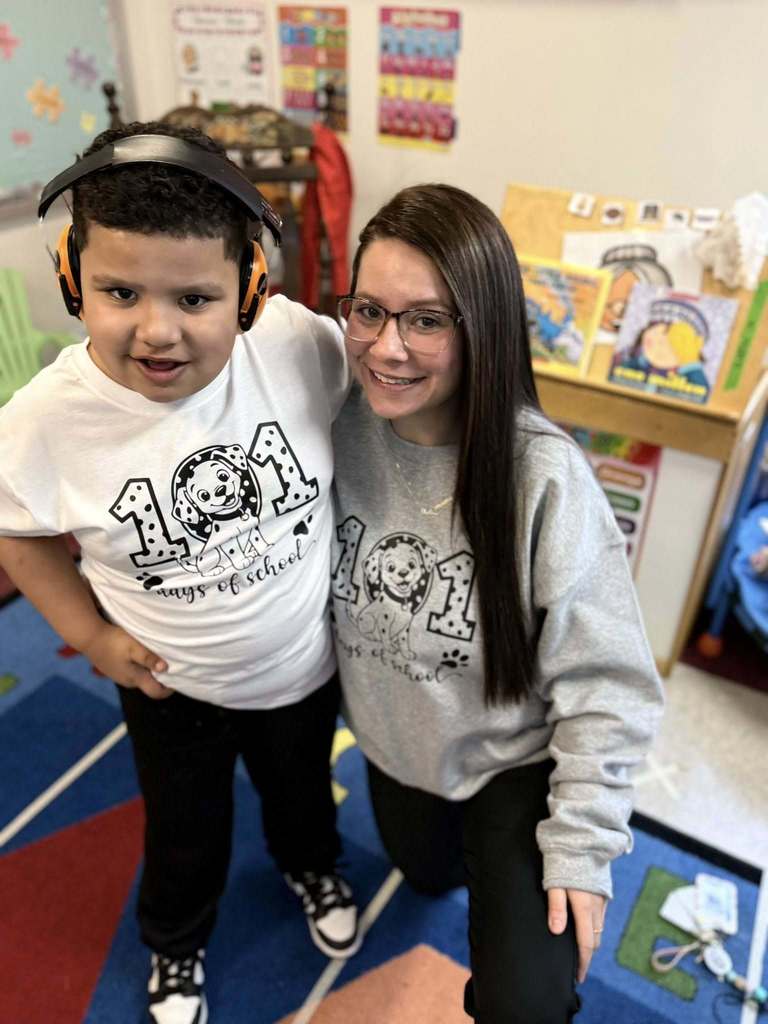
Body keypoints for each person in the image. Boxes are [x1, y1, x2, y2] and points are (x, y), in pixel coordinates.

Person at [0, 121, 360, 1024]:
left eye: (195, 299)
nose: (156, 331)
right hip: (172, 687)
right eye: (121, 291)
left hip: (302, 665)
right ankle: (175, 943)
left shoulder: (297, 345)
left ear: (249, 290)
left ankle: (310, 867)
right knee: (184, 832)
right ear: (71, 277)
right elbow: (18, 534)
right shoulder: (47, 420)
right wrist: (87, 636)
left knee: (302, 794)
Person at [330, 184, 664, 1023]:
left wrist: (581, 849)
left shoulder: (542, 476)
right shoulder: (330, 423)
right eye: (369, 310)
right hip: (398, 751)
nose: (388, 348)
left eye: (428, 320)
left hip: (515, 763)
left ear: (481, 327)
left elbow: (613, 685)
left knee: (530, 1000)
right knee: (428, 873)